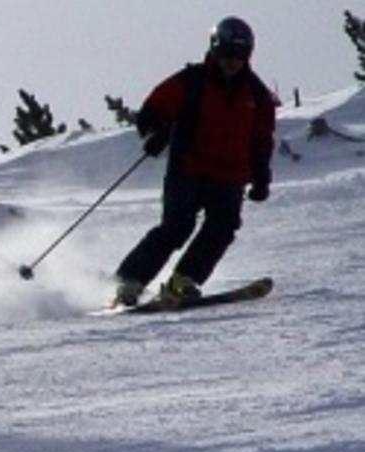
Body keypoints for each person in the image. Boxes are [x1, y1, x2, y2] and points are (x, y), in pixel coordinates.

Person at [113, 16, 275, 307]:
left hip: (230, 175)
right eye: (226, 55)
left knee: (223, 226)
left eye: (238, 56)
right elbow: (152, 109)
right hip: (188, 168)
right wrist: (155, 133)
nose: (231, 62)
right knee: (177, 225)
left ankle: (183, 280)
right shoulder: (191, 81)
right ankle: (130, 282)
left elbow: (262, 139)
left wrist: (261, 176)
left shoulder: (258, 95)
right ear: (214, 50)